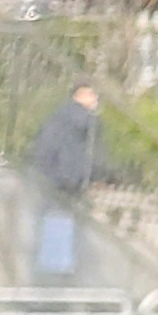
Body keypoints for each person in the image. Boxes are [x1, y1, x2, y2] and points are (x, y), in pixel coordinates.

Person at [27, 81, 102, 280]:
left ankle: (50, 268)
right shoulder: (85, 121)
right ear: (80, 95)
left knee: (52, 223)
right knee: (65, 223)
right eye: (92, 95)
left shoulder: (57, 117)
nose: (95, 100)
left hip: (54, 179)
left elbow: (46, 149)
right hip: (68, 181)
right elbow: (84, 154)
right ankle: (59, 270)